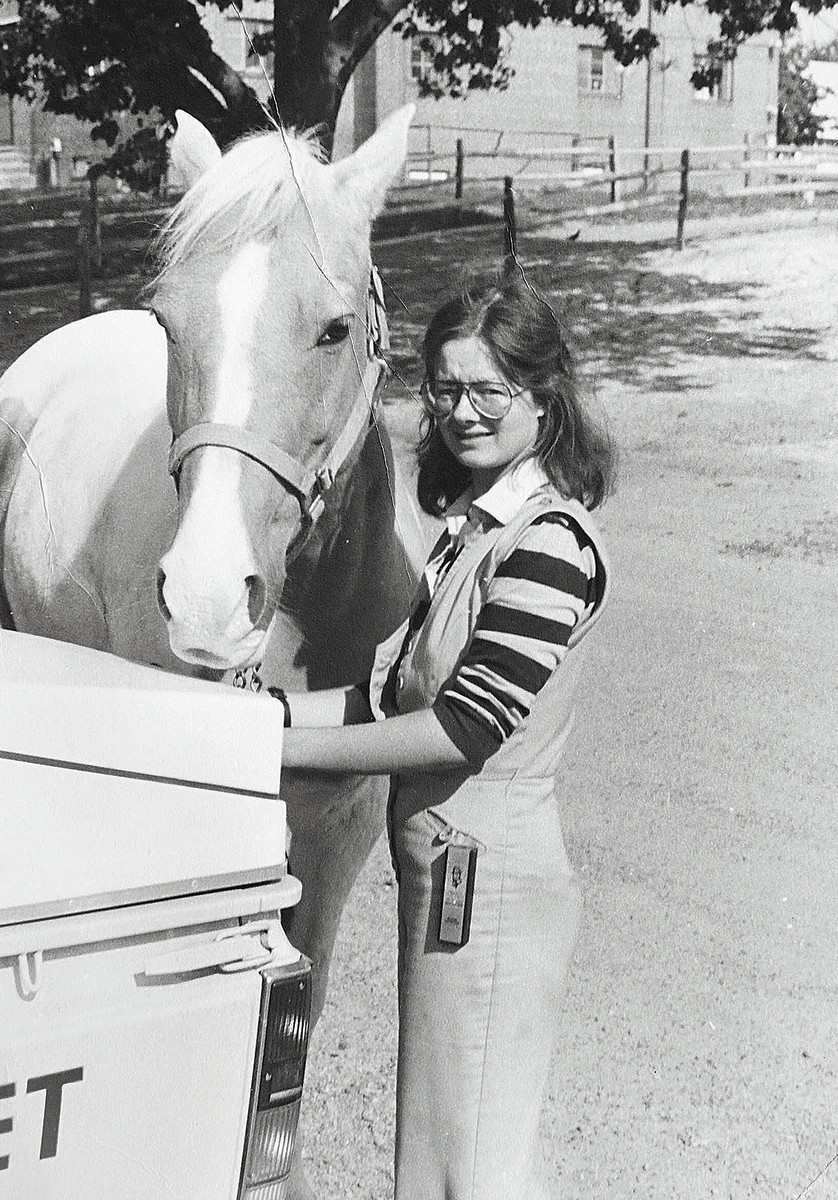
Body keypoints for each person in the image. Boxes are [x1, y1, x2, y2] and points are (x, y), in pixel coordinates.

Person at [275, 269, 616, 1200]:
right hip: (451, 876)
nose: (464, 413)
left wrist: (280, 749)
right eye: (446, 389)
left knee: (471, 1169)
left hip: (490, 883)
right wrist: (253, 716)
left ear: (543, 398)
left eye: (489, 391)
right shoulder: (475, 532)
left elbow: (462, 728)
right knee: (437, 1162)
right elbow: (388, 698)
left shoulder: (548, 542)